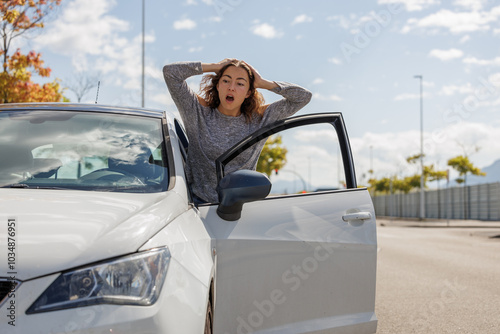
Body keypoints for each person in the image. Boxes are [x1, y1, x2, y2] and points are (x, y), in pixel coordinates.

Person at [163, 59, 312, 203]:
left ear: (248, 92)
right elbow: (170, 73)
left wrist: (263, 83)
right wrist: (215, 67)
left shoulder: (260, 119)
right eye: (226, 80)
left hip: (242, 209)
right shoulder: (197, 112)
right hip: (197, 207)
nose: (231, 87)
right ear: (218, 85)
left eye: (240, 83)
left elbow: (303, 97)